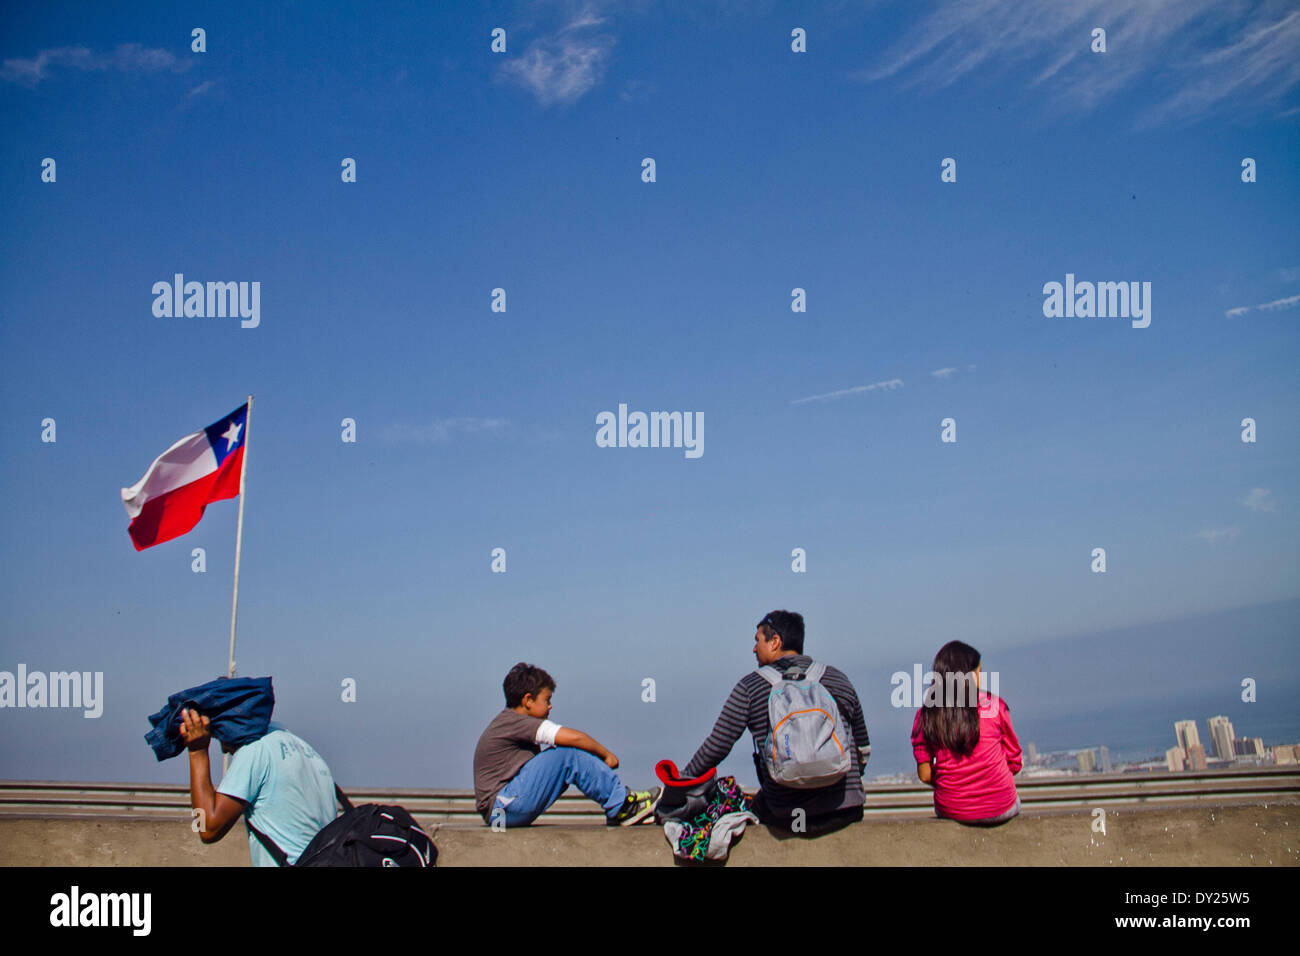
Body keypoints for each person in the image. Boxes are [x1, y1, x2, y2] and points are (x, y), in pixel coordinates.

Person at [680, 610, 872, 833]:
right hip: (845, 811)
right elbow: (862, 750)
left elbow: (716, 747)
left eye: (757, 641)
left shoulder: (751, 687)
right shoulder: (837, 679)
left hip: (785, 815)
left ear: (775, 642)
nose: (754, 649)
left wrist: (680, 783)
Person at [473, 662, 661, 827]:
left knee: (565, 756)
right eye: (546, 700)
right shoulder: (514, 721)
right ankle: (622, 806)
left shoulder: (511, 722)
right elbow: (574, 738)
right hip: (501, 808)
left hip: (504, 809)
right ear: (528, 700)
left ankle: (617, 805)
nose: (550, 706)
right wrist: (607, 756)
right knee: (566, 755)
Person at [179, 708, 338, 865]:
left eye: (220, 736)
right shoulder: (308, 752)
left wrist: (197, 751)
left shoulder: (256, 748)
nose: (224, 749)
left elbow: (208, 828)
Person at [911, 640, 1022, 825]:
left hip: (952, 809)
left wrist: (956, 783)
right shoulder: (995, 706)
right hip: (1001, 807)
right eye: (979, 672)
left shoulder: (927, 714)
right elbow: (1015, 764)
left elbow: (925, 775)